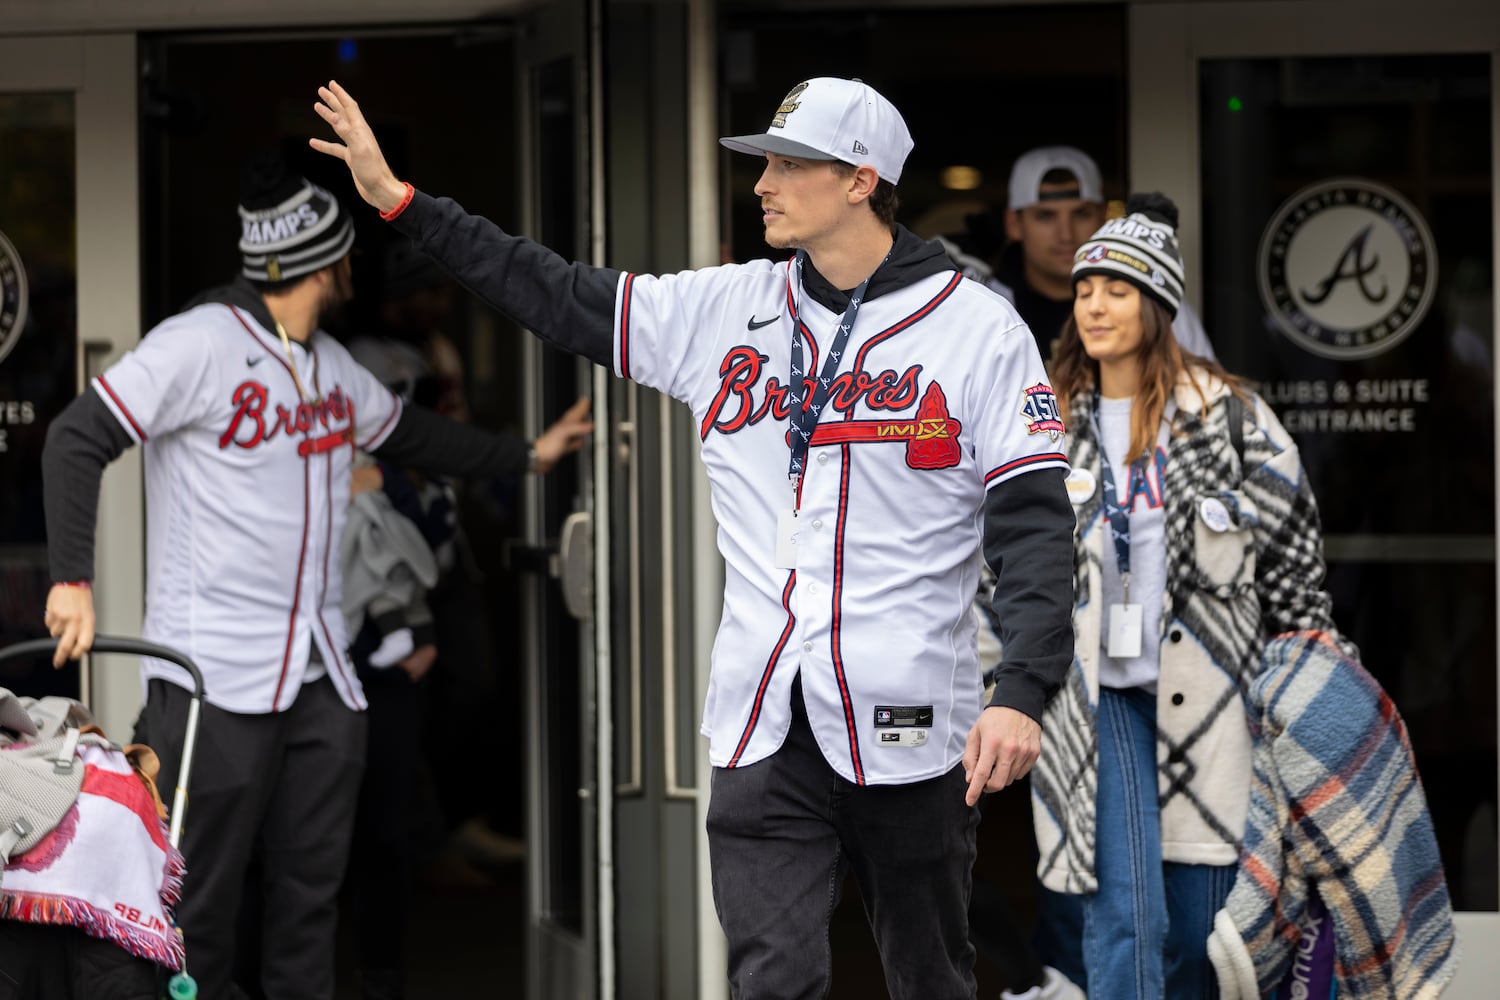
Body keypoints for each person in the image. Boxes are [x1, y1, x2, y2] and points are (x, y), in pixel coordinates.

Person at [311, 76, 1076, 999]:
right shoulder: (724, 307)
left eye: (789, 164)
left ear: (862, 179)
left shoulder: (978, 329)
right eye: (764, 163)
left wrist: (1022, 689)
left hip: (907, 714)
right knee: (770, 980)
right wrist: (402, 201)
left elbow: (1034, 529)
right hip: (761, 716)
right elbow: (552, 292)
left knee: (927, 978)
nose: (762, 183)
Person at [38, 154, 594, 1000]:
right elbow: (76, 438)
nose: (352, 270)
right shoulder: (198, 344)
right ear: (325, 262)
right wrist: (72, 579)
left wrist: (525, 454)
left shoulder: (328, 364)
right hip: (209, 681)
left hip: (321, 680)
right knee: (195, 908)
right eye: (346, 254)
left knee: (308, 903)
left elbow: (411, 435)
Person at [1029, 191, 1355, 998]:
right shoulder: (1041, 422)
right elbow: (1005, 567)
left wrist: (1313, 697)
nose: (1096, 305)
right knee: (1122, 919)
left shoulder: (1233, 418)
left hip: (1218, 705)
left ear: (1160, 303)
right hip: (1095, 702)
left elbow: (1295, 570)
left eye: (1120, 289)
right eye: (1085, 289)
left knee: (1210, 928)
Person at [947, 146, 1214, 364]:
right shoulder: (984, 308)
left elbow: (1207, 401)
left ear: (1102, 216)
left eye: (1081, 214)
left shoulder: (1152, 303)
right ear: (1014, 224)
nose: (1066, 234)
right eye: (1046, 216)